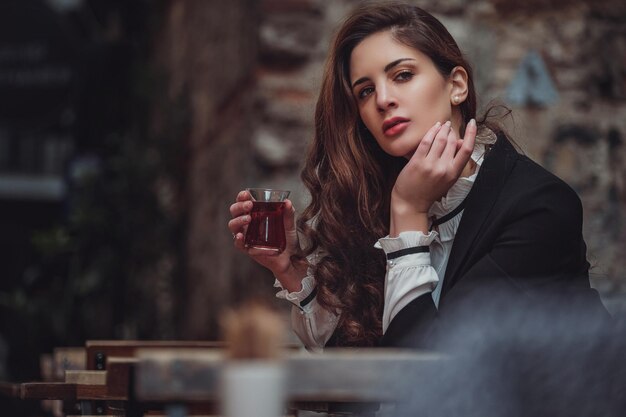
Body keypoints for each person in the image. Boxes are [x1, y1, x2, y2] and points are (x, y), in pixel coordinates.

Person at [227, 2, 609, 352]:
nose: (382, 99)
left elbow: (429, 379)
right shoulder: (378, 199)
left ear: (456, 85)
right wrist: (292, 270)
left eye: (403, 75)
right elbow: (360, 370)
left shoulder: (538, 208)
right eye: (364, 91)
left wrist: (409, 212)